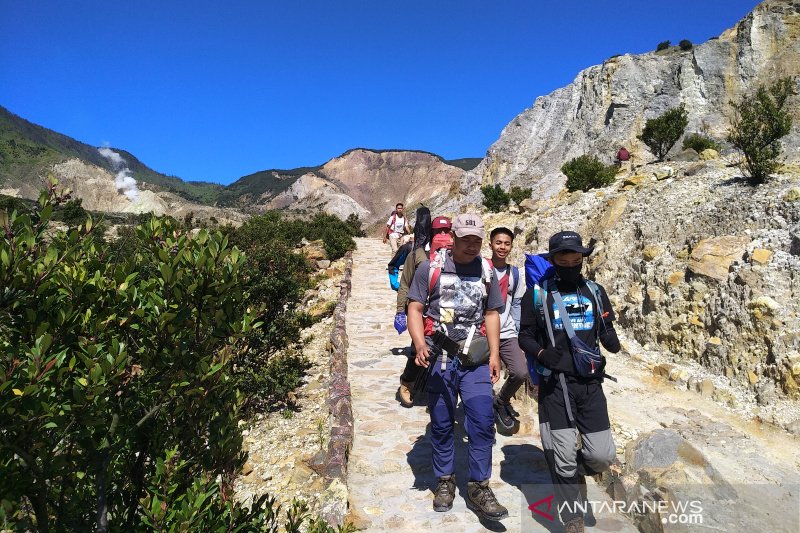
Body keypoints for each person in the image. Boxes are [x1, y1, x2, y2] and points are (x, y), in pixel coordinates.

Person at [407, 213, 509, 522]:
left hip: (474, 360)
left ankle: (479, 486)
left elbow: (491, 313)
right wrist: (419, 342)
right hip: (440, 357)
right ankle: (444, 481)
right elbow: (415, 307)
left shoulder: (487, 270)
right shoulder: (431, 269)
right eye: (466, 240)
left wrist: (494, 354)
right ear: (453, 237)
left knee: (481, 420)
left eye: (477, 241)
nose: (472, 247)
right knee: (441, 422)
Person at [518, 231, 620, 533]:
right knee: (562, 458)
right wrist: (540, 353)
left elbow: (605, 325)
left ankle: (576, 472)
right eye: (565, 261)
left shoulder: (595, 291)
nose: (572, 266)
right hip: (555, 387)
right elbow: (524, 334)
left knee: (602, 456)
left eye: (577, 261)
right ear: (553, 261)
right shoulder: (538, 295)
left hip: (590, 385)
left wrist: (611, 340)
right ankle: (572, 516)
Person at [396, 215, 452, 407]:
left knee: (445, 351)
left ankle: (436, 388)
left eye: (446, 231)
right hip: (420, 310)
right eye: (438, 231)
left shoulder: (456, 256)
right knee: (418, 349)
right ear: (431, 233)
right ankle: (407, 382)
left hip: (446, 312)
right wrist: (400, 311)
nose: (443, 235)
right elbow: (405, 283)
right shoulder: (418, 254)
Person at [486, 227, 529, 430]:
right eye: (498, 242)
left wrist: (518, 333)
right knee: (484, 375)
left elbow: (517, 303)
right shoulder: (481, 268)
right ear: (490, 244)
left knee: (520, 371)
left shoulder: (515, 274)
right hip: (482, 333)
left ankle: (501, 401)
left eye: (506, 243)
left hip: (507, 331)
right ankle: (480, 410)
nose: (502, 247)